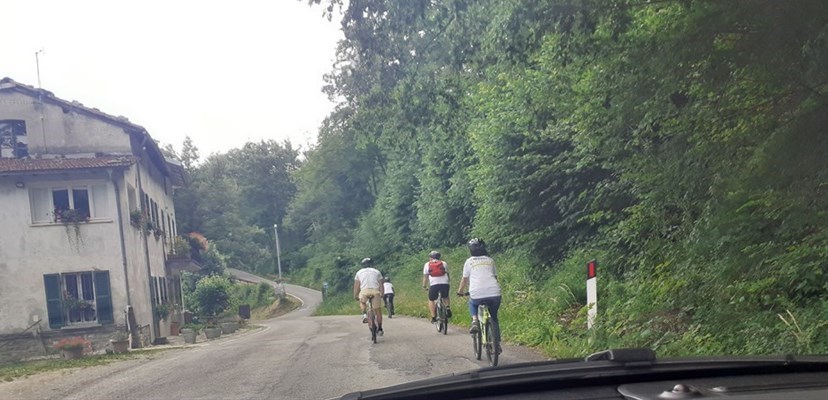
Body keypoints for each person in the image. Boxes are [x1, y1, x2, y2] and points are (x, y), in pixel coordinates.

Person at [456, 238, 502, 353]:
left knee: (472, 302)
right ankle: (497, 343)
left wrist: (460, 292)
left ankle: (475, 320)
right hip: (494, 293)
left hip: (477, 293)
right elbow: (495, 277)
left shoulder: (469, 262)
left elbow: (464, 280)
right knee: (494, 318)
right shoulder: (490, 260)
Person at [354, 257, 384, 335]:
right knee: (378, 311)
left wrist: (356, 295)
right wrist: (382, 293)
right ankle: (380, 328)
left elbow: (357, 286)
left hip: (364, 292)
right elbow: (381, 284)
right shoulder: (377, 272)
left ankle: (364, 315)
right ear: (372, 264)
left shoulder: (359, 272)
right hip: (375, 291)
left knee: (362, 302)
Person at [423, 250, 451, 323]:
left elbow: (425, 277)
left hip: (434, 285)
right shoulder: (444, 263)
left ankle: (433, 317)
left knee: (431, 299)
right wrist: (448, 281)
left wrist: (424, 286)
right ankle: (447, 307)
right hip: (445, 283)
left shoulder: (427, 264)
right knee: (445, 296)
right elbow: (447, 273)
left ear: (430, 257)